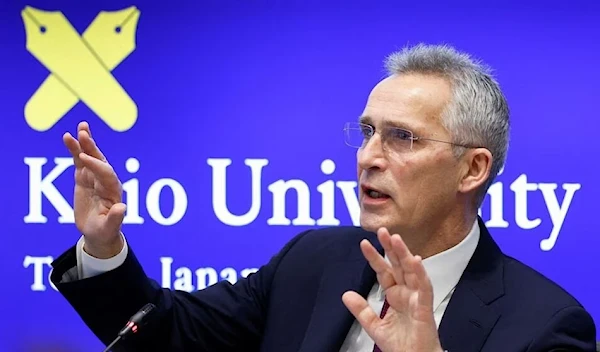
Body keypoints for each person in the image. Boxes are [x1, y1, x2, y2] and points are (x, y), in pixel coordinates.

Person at [50, 43, 597, 352]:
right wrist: (103, 247)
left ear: (472, 169)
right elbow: (165, 336)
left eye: (402, 137)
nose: (368, 156)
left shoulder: (548, 328)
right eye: (367, 132)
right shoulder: (314, 263)